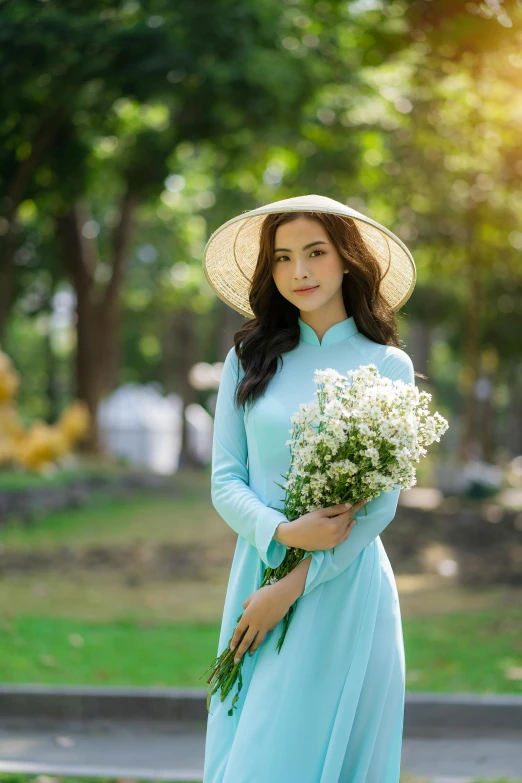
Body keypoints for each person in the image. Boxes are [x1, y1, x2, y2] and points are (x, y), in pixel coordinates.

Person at [201, 194, 418, 783]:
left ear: (347, 260)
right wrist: (281, 533)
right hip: (258, 573)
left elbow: (378, 510)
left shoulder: (387, 366)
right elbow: (226, 481)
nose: (299, 271)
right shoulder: (246, 358)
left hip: (344, 590)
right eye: (282, 257)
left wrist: (295, 584)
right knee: (250, 758)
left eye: (315, 253)